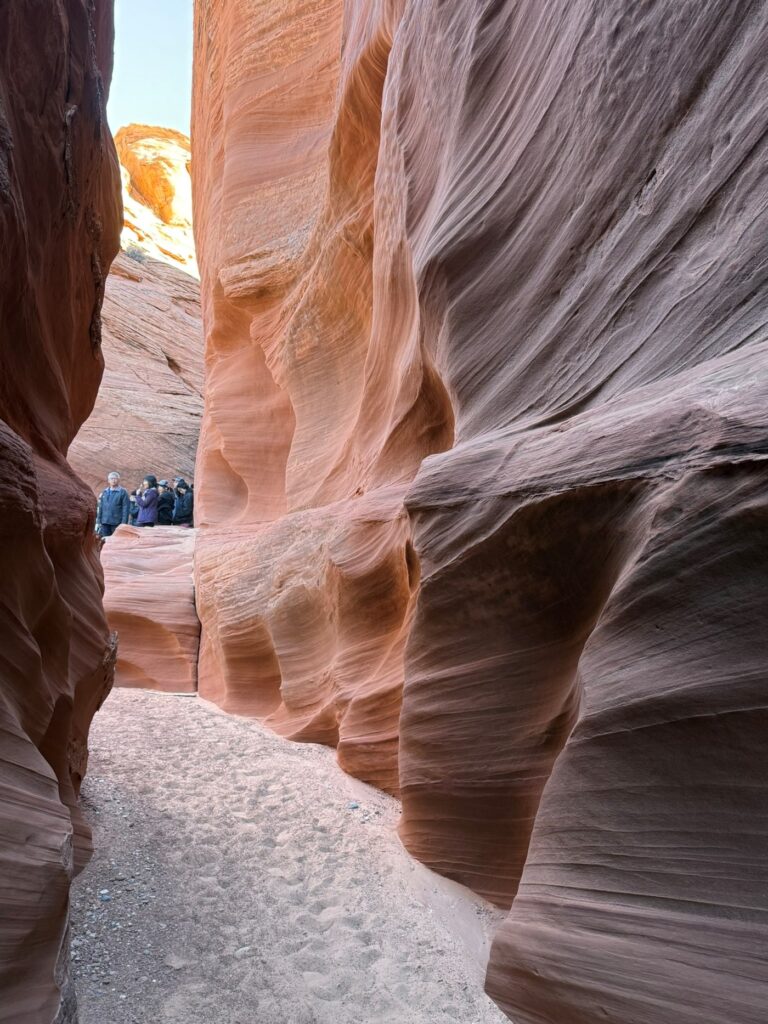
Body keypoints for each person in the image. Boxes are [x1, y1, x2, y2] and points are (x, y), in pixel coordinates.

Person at [95, 471, 130, 537]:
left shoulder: (123, 492)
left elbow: (126, 509)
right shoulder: (104, 492)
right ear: (108, 480)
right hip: (104, 522)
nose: (113, 480)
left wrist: (123, 523)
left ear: (118, 480)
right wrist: (99, 520)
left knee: (116, 541)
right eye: (111, 478)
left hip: (117, 522)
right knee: (104, 541)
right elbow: (100, 507)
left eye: (115, 478)